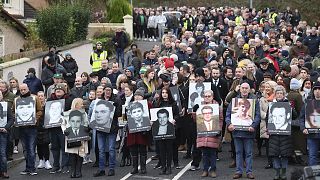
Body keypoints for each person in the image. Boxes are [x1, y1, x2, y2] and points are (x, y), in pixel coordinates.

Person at [226, 82, 260, 179]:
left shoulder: (254, 101)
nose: (244, 90)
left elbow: (257, 115)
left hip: (249, 131)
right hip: (237, 132)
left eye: (246, 88)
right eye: (243, 88)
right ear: (239, 89)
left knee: (249, 153)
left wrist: (253, 125)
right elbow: (228, 115)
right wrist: (229, 124)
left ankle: (249, 172)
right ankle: (238, 171)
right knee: (238, 152)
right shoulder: (234, 101)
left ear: (249, 89)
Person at [15, 84, 43, 176]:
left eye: (24, 89)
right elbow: (13, 111)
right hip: (22, 127)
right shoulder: (17, 100)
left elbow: (40, 110)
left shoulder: (34, 98)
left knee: (31, 148)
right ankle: (27, 168)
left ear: (28, 89)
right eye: (21, 90)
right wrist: (16, 118)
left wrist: (36, 118)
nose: (23, 91)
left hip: (32, 127)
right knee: (25, 149)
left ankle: (32, 168)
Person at [268, 85, 293, 180]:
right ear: (275, 94)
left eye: (281, 93)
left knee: (285, 154)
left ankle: (283, 173)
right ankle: (277, 172)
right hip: (274, 134)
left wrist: (291, 108)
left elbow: (294, 116)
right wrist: (268, 129)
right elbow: (268, 118)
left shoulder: (288, 104)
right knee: (275, 154)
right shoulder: (271, 105)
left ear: (284, 95)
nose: (279, 95)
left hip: (285, 135)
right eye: (277, 93)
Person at [300, 81, 320, 166]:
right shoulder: (307, 104)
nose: (318, 91)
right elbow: (301, 118)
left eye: (319, 89)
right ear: (313, 90)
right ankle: (313, 175)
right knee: (312, 156)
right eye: (316, 89)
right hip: (312, 135)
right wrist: (303, 128)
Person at [0, 91, 14, 178]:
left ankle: (4, 171)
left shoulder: (6, 106)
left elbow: (11, 119)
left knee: (2, 153)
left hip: (3, 132)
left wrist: (6, 128)